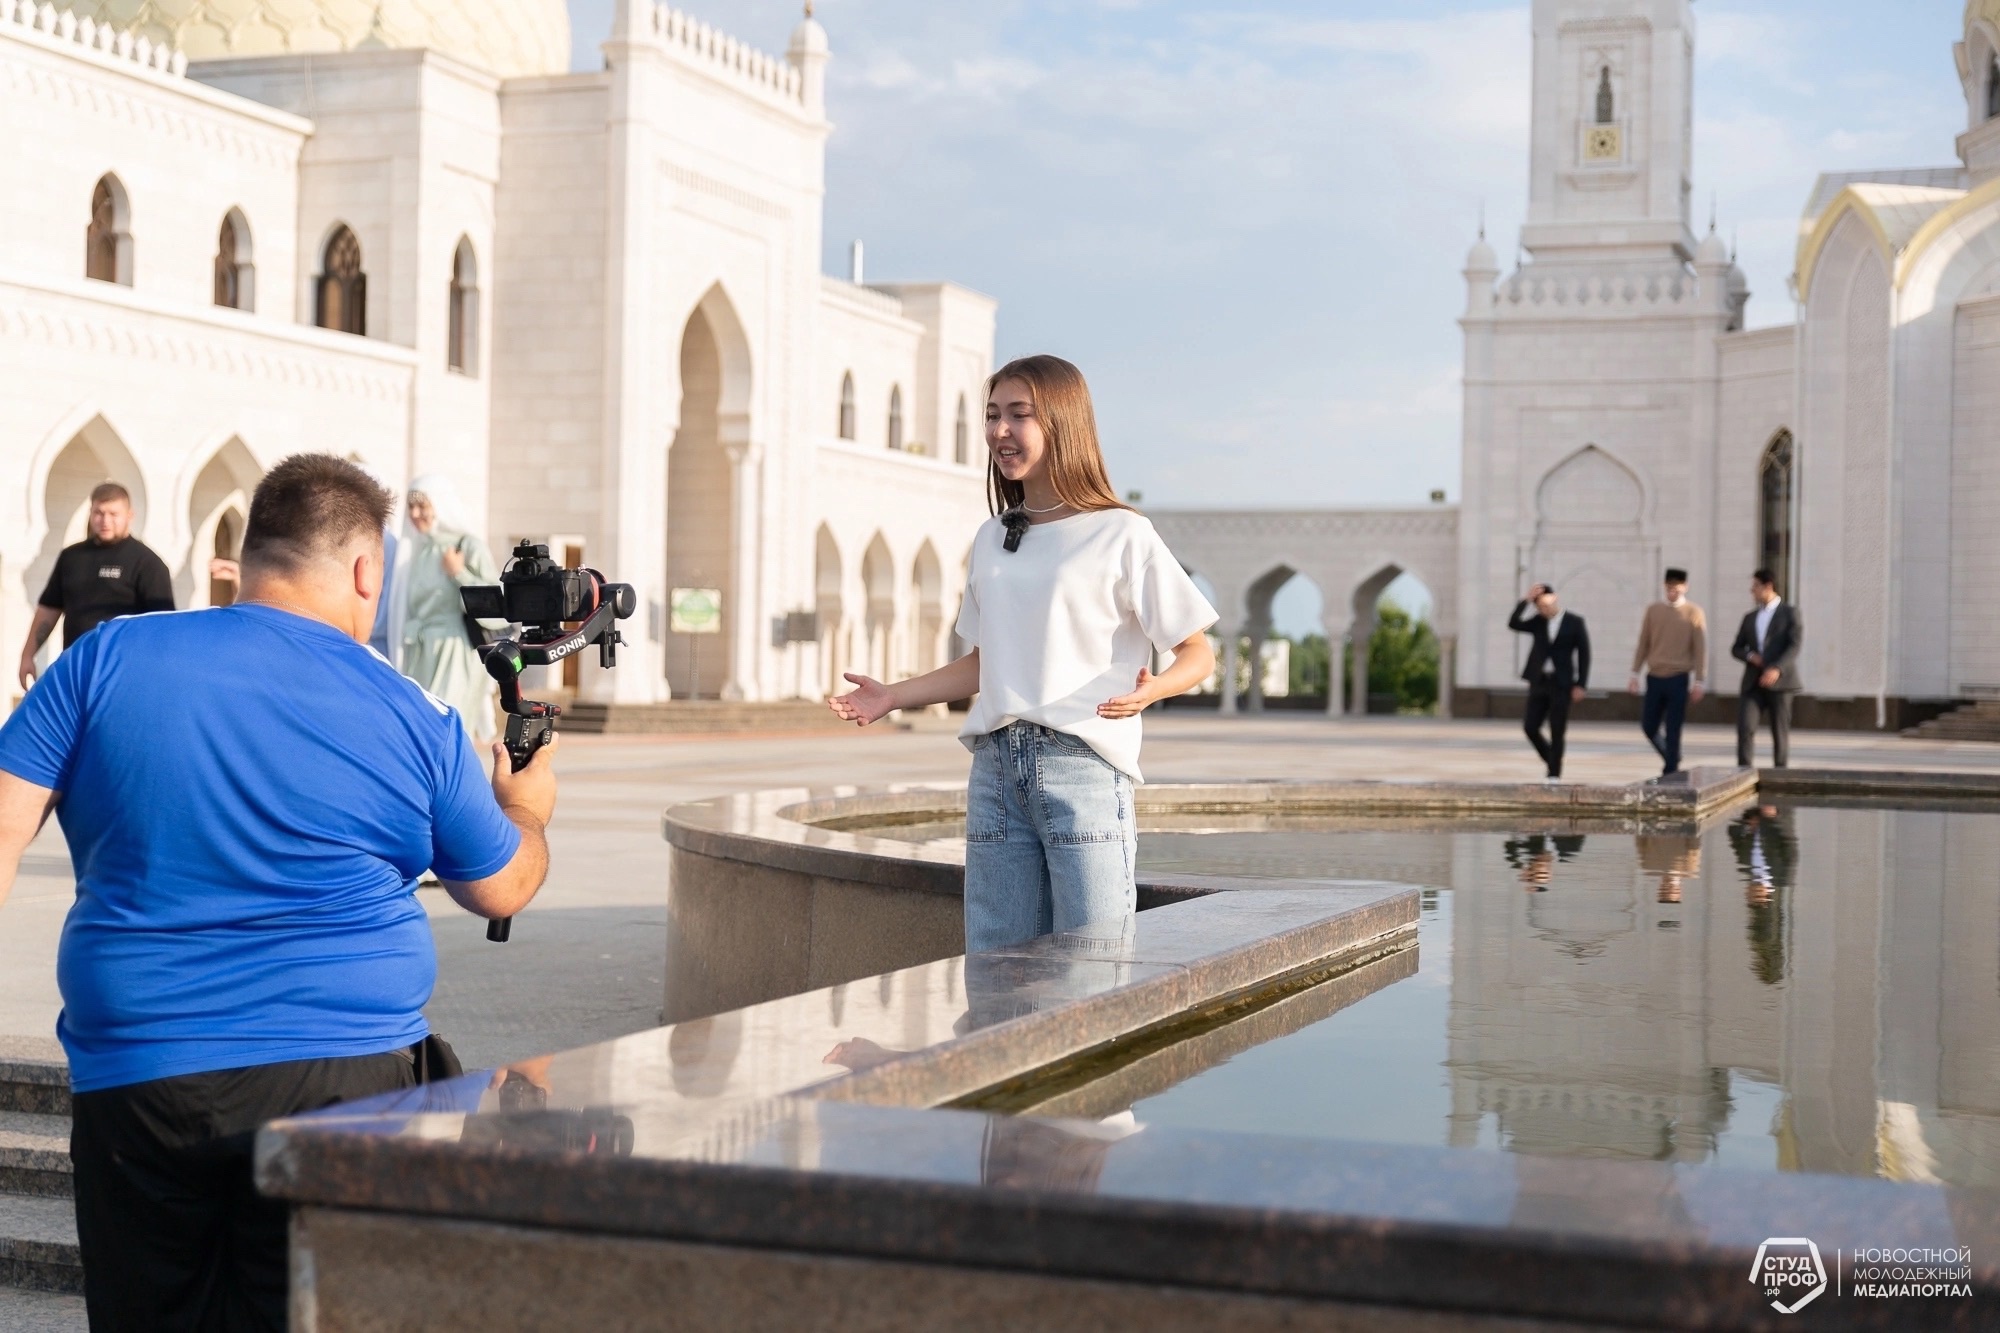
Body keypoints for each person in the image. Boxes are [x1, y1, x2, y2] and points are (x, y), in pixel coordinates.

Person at [0, 454, 556, 1331]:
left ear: (252, 552)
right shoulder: (415, 712)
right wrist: (526, 800)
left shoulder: (103, 658)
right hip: (347, 1085)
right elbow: (501, 886)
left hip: (143, 1080)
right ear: (367, 569)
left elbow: (2, 825)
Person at [828, 355, 1217, 953]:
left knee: (1094, 959)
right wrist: (893, 695)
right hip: (995, 769)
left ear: (1062, 423)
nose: (999, 431)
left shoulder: (1122, 533)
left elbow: (1197, 649)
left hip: (1081, 765)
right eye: (992, 416)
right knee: (996, 961)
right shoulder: (993, 536)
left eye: (1018, 415)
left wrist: (1153, 690)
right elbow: (987, 662)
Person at [16, 481, 174, 689]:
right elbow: (49, 608)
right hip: (74, 671)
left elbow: (162, 627)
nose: (105, 521)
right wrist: (28, 655)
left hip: (122, 676)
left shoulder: (148, 563)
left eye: (113, 514)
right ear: (90, 513)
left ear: (130, 515)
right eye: (98, 513)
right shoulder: (71, 557)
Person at [387, 473, 501, 743]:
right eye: (411, 506)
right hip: (419, 653)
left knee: (446, 729)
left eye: (422, 506)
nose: (415, 514)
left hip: (455, 651)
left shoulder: (468, 546)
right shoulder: (416, 550)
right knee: (419, 731)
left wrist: (460, 573)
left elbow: (498, 608)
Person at [1626, 568, 1708, 777]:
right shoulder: (1653, 611)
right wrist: (1634, 673)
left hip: (1679, 677)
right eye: (1669, 588)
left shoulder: (1693, 612)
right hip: (1655, 676)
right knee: (1648, 725)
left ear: (1685, 587)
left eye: (1676, 588)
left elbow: (1700, 649)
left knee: (1673, 727)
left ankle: (1671, 769)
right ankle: (1671, 755)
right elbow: (1643, 643)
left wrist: (1699, 680)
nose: (1672, 592)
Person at [1508, 583, 1590, 780]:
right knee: (1530, 727)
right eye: (1540, 607)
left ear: (1555, 598)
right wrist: (1526, 600)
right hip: (1539, 681)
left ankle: (1554, 773)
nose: (1544, 610)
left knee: (1557, 728)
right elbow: (1513, 623)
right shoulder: (1537, 622)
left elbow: (1584, 654)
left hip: (1562, 683)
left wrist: (1581, 684)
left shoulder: (1574, 622)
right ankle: (1552, 758)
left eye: (1546, 605)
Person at [1730, 569, 1802, 769]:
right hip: (1753, 682)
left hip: (1781, 683)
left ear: (1768, 586)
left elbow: (1794, 646)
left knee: (1779, 731)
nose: (1752, 591)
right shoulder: (1750, 617)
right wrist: (1750, 656)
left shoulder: (1790, 613)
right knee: (1745, 727)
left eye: (1755, 586)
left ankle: (1780, 772)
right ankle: (1743, 772)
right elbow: (1736, 648)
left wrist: (1777, 668)